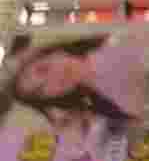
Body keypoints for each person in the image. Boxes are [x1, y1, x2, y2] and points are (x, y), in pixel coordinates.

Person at [5, 38, 141, 134]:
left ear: (55, 53)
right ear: (52, 98)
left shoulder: (120, 42)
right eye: (41, 90)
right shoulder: (104, 111)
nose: (54, 79)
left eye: (43, 69)